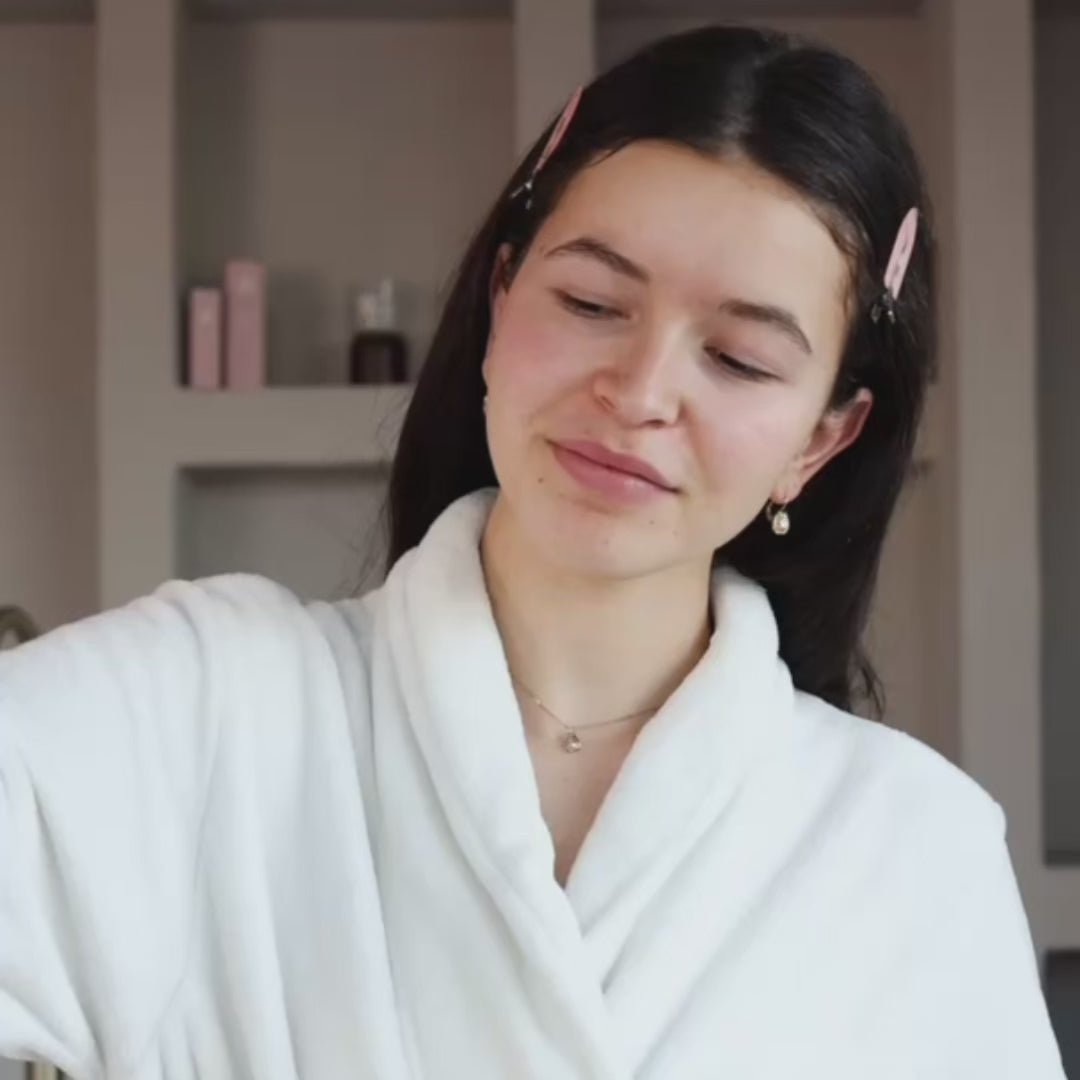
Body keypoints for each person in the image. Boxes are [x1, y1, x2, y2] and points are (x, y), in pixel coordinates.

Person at [0, 24, 1065, 1080]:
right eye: (592, 303)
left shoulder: (912, 846)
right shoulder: (203, 707)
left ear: (822, 440)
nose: (639, 394)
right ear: (502, 299)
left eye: (739, 359)